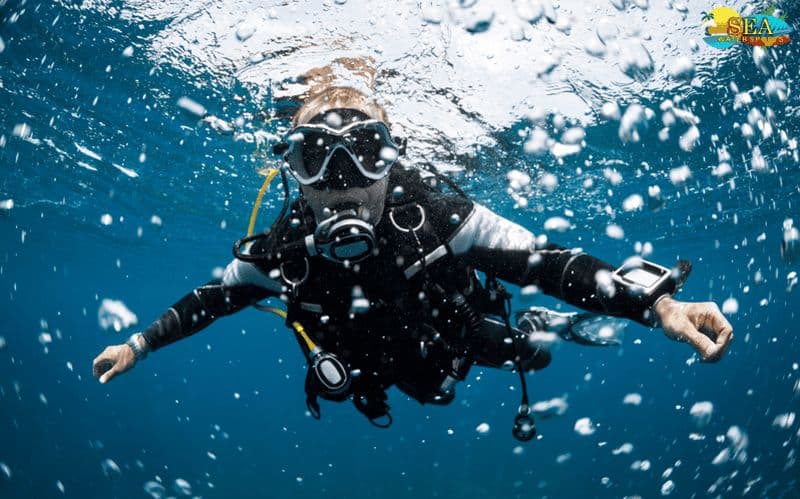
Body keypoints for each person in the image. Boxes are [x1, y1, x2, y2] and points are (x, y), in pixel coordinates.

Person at [93, 86, 733, 440]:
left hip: (453, 336)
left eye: (365, 151)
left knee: (527, 354)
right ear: (290, 168)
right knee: (406, 394)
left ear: (393, 158)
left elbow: (549, 263)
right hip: (364, 371)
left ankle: (547, 328)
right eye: (314, 155)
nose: (340, 178)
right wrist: (140, 344)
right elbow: (211, 299)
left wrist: (657, 304)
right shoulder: (283, 251)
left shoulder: (441, 219)